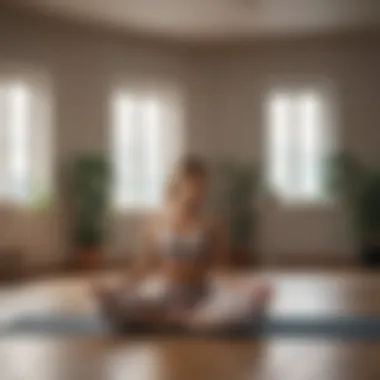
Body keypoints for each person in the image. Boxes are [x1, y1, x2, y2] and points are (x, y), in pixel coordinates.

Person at [94, 155, 272, 330]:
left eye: (202, 185)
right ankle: (179, 319)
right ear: (178, 183)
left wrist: (249, 289)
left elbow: (221, 269)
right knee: (111, 303)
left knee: (250, 307)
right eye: (192, 183)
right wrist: (115, 289)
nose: (198, 190)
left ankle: (179, 320)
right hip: (164, 295)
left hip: (200, 297)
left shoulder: (213, 224)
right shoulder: (154, 222)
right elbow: (143, 267)